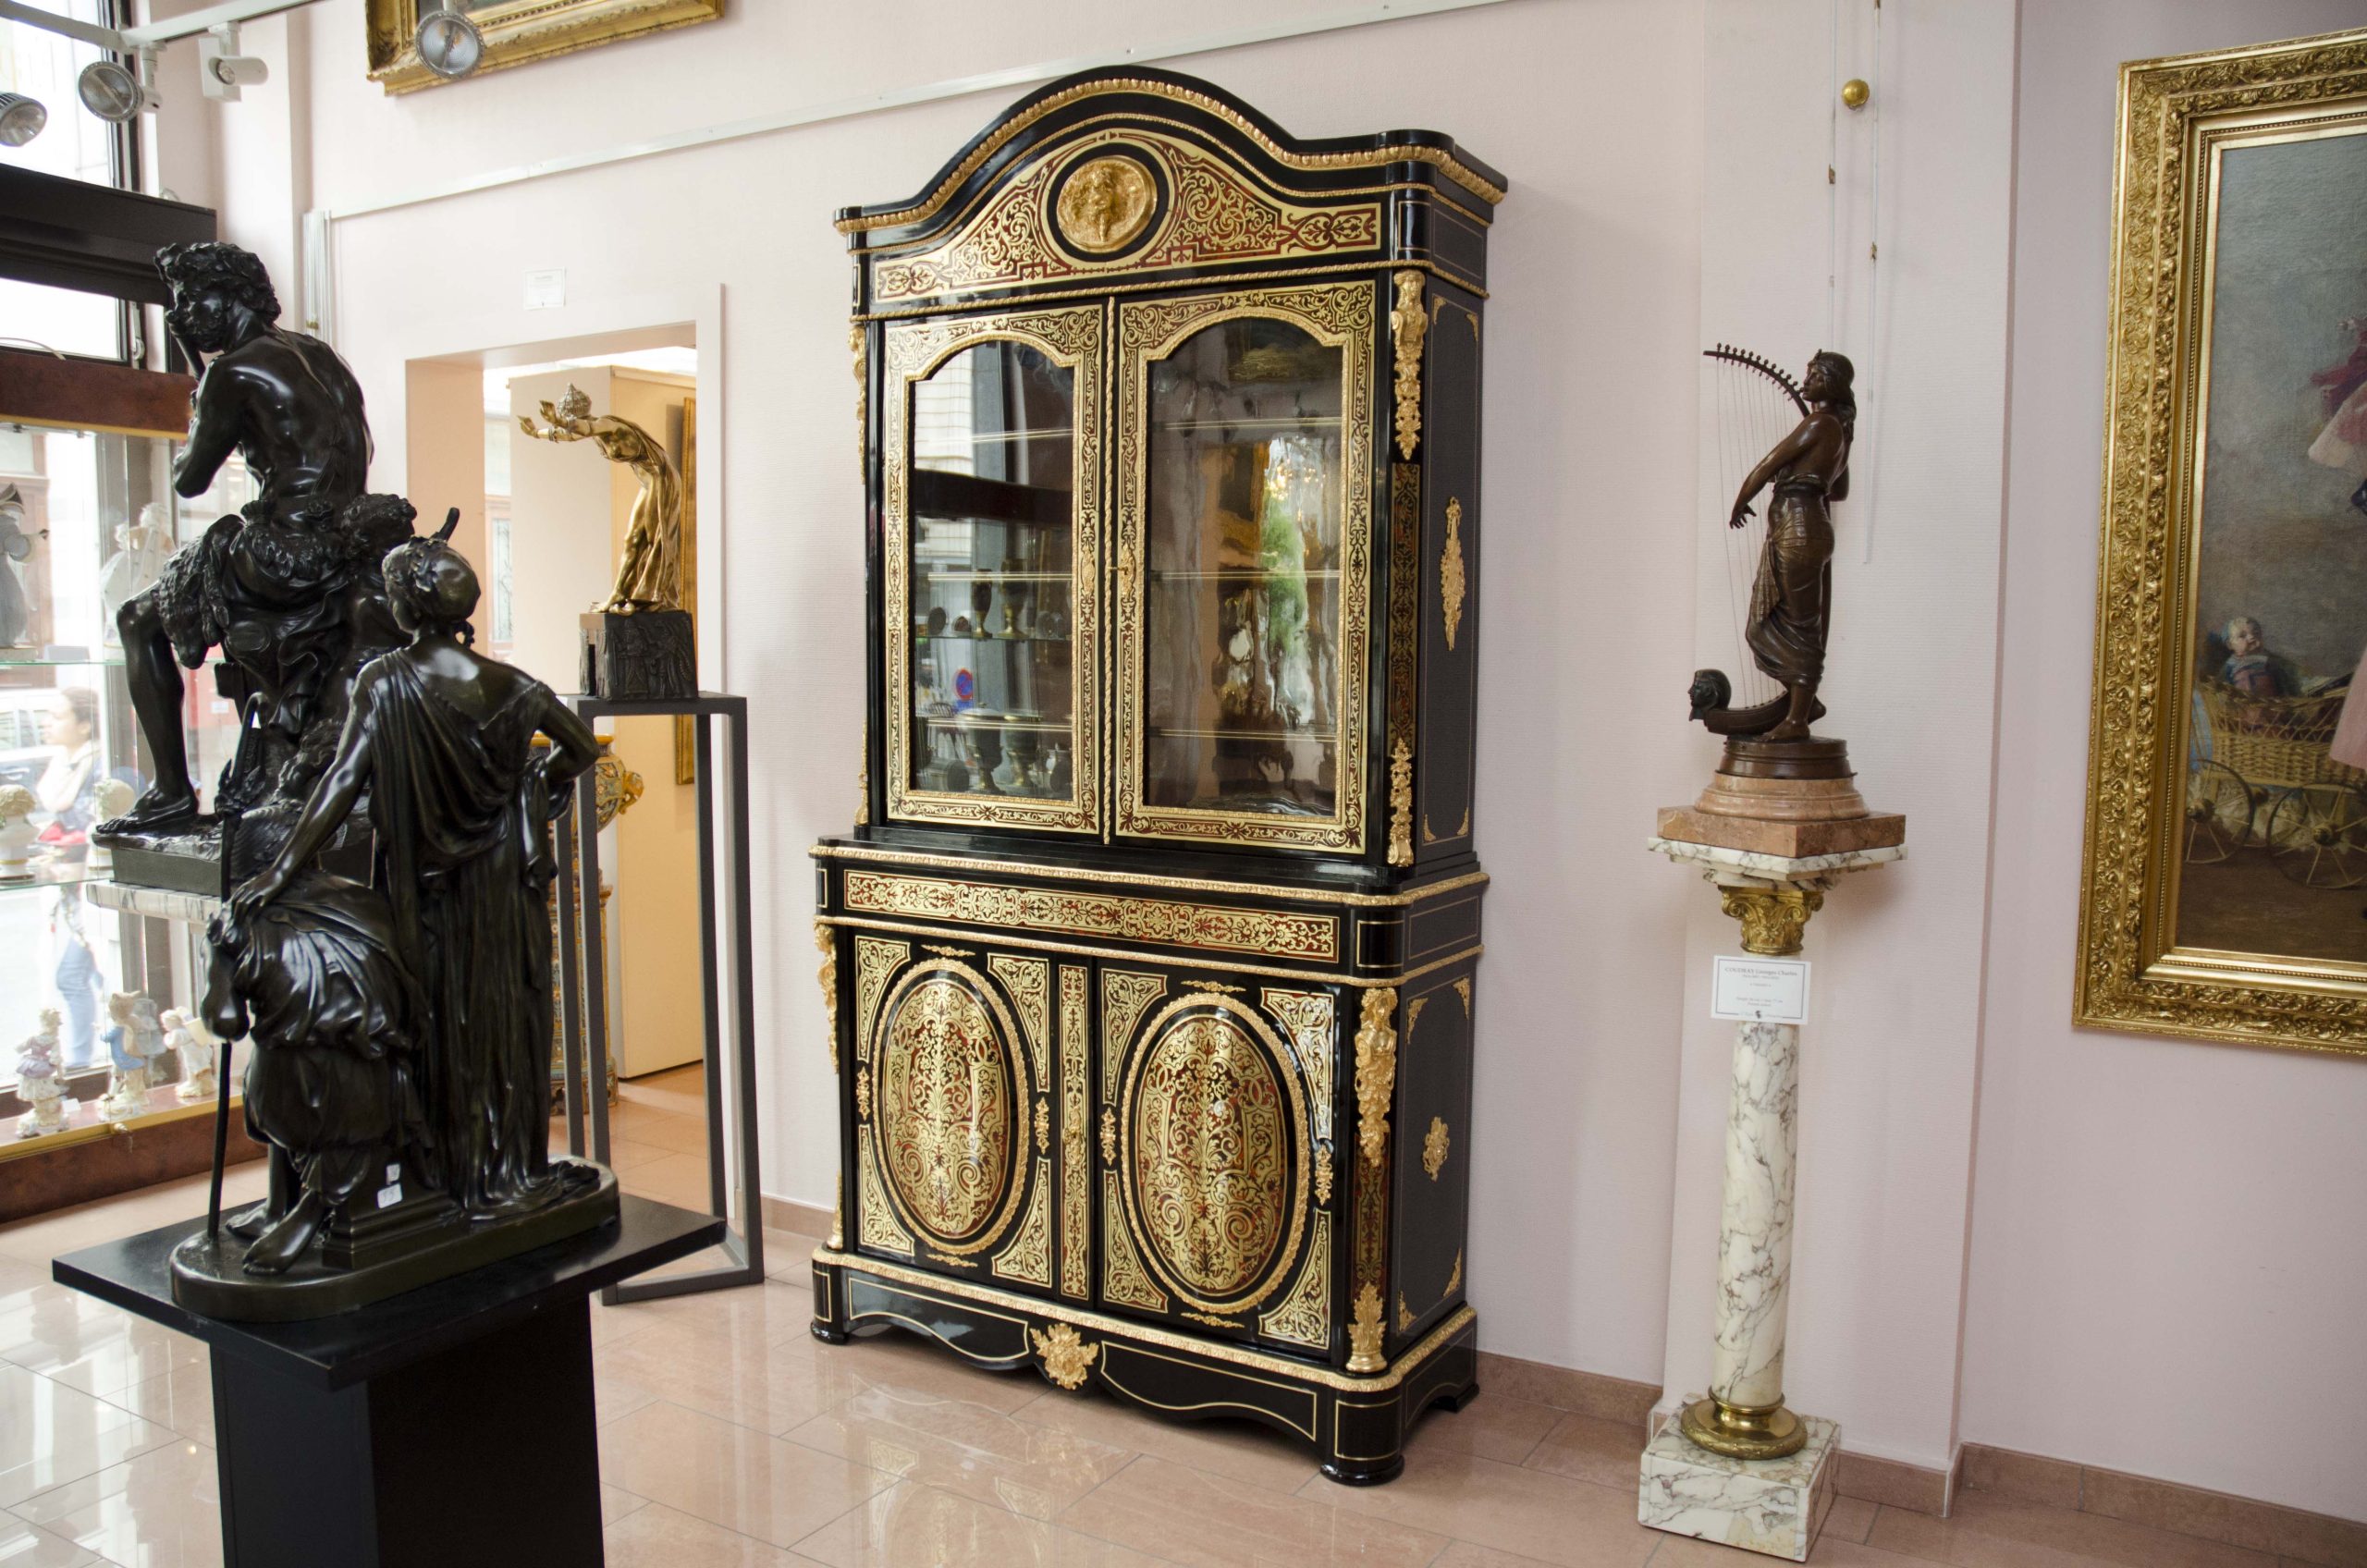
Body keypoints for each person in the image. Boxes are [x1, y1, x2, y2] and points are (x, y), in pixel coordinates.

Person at [231, 517, 601, 1217]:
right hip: (499, 891)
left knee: (434, 1019)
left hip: (426, 891)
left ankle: (444, 1176)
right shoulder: (513, 684)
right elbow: (582, 749)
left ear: (406, 604)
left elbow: (342, 782)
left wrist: (281, 870)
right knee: (501, 1018)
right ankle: (506, 1167)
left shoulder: (385, 680)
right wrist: (531, 787)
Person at [104, 240, 377, 835]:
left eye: (188, 300)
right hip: (351, 538)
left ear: (230, 296)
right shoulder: (318, 353)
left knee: (135, 619)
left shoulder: (231, 371)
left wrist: (201, 393)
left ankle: (171, 789)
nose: (179, 317)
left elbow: (189, 479)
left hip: (288, 550)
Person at [1720, 351, 1857, 741]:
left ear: (1830, 382)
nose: (1805, 380)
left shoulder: (1818, 422)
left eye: (1814, 375)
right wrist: (1813, 473)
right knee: (1795, 624)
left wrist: (1740, 500)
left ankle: (1797, 718)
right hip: (1808, 526)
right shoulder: (1840, 432)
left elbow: (1766, 466)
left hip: (1797, 528)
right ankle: (1803, 703)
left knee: (1798, 628)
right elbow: (1840, 490)